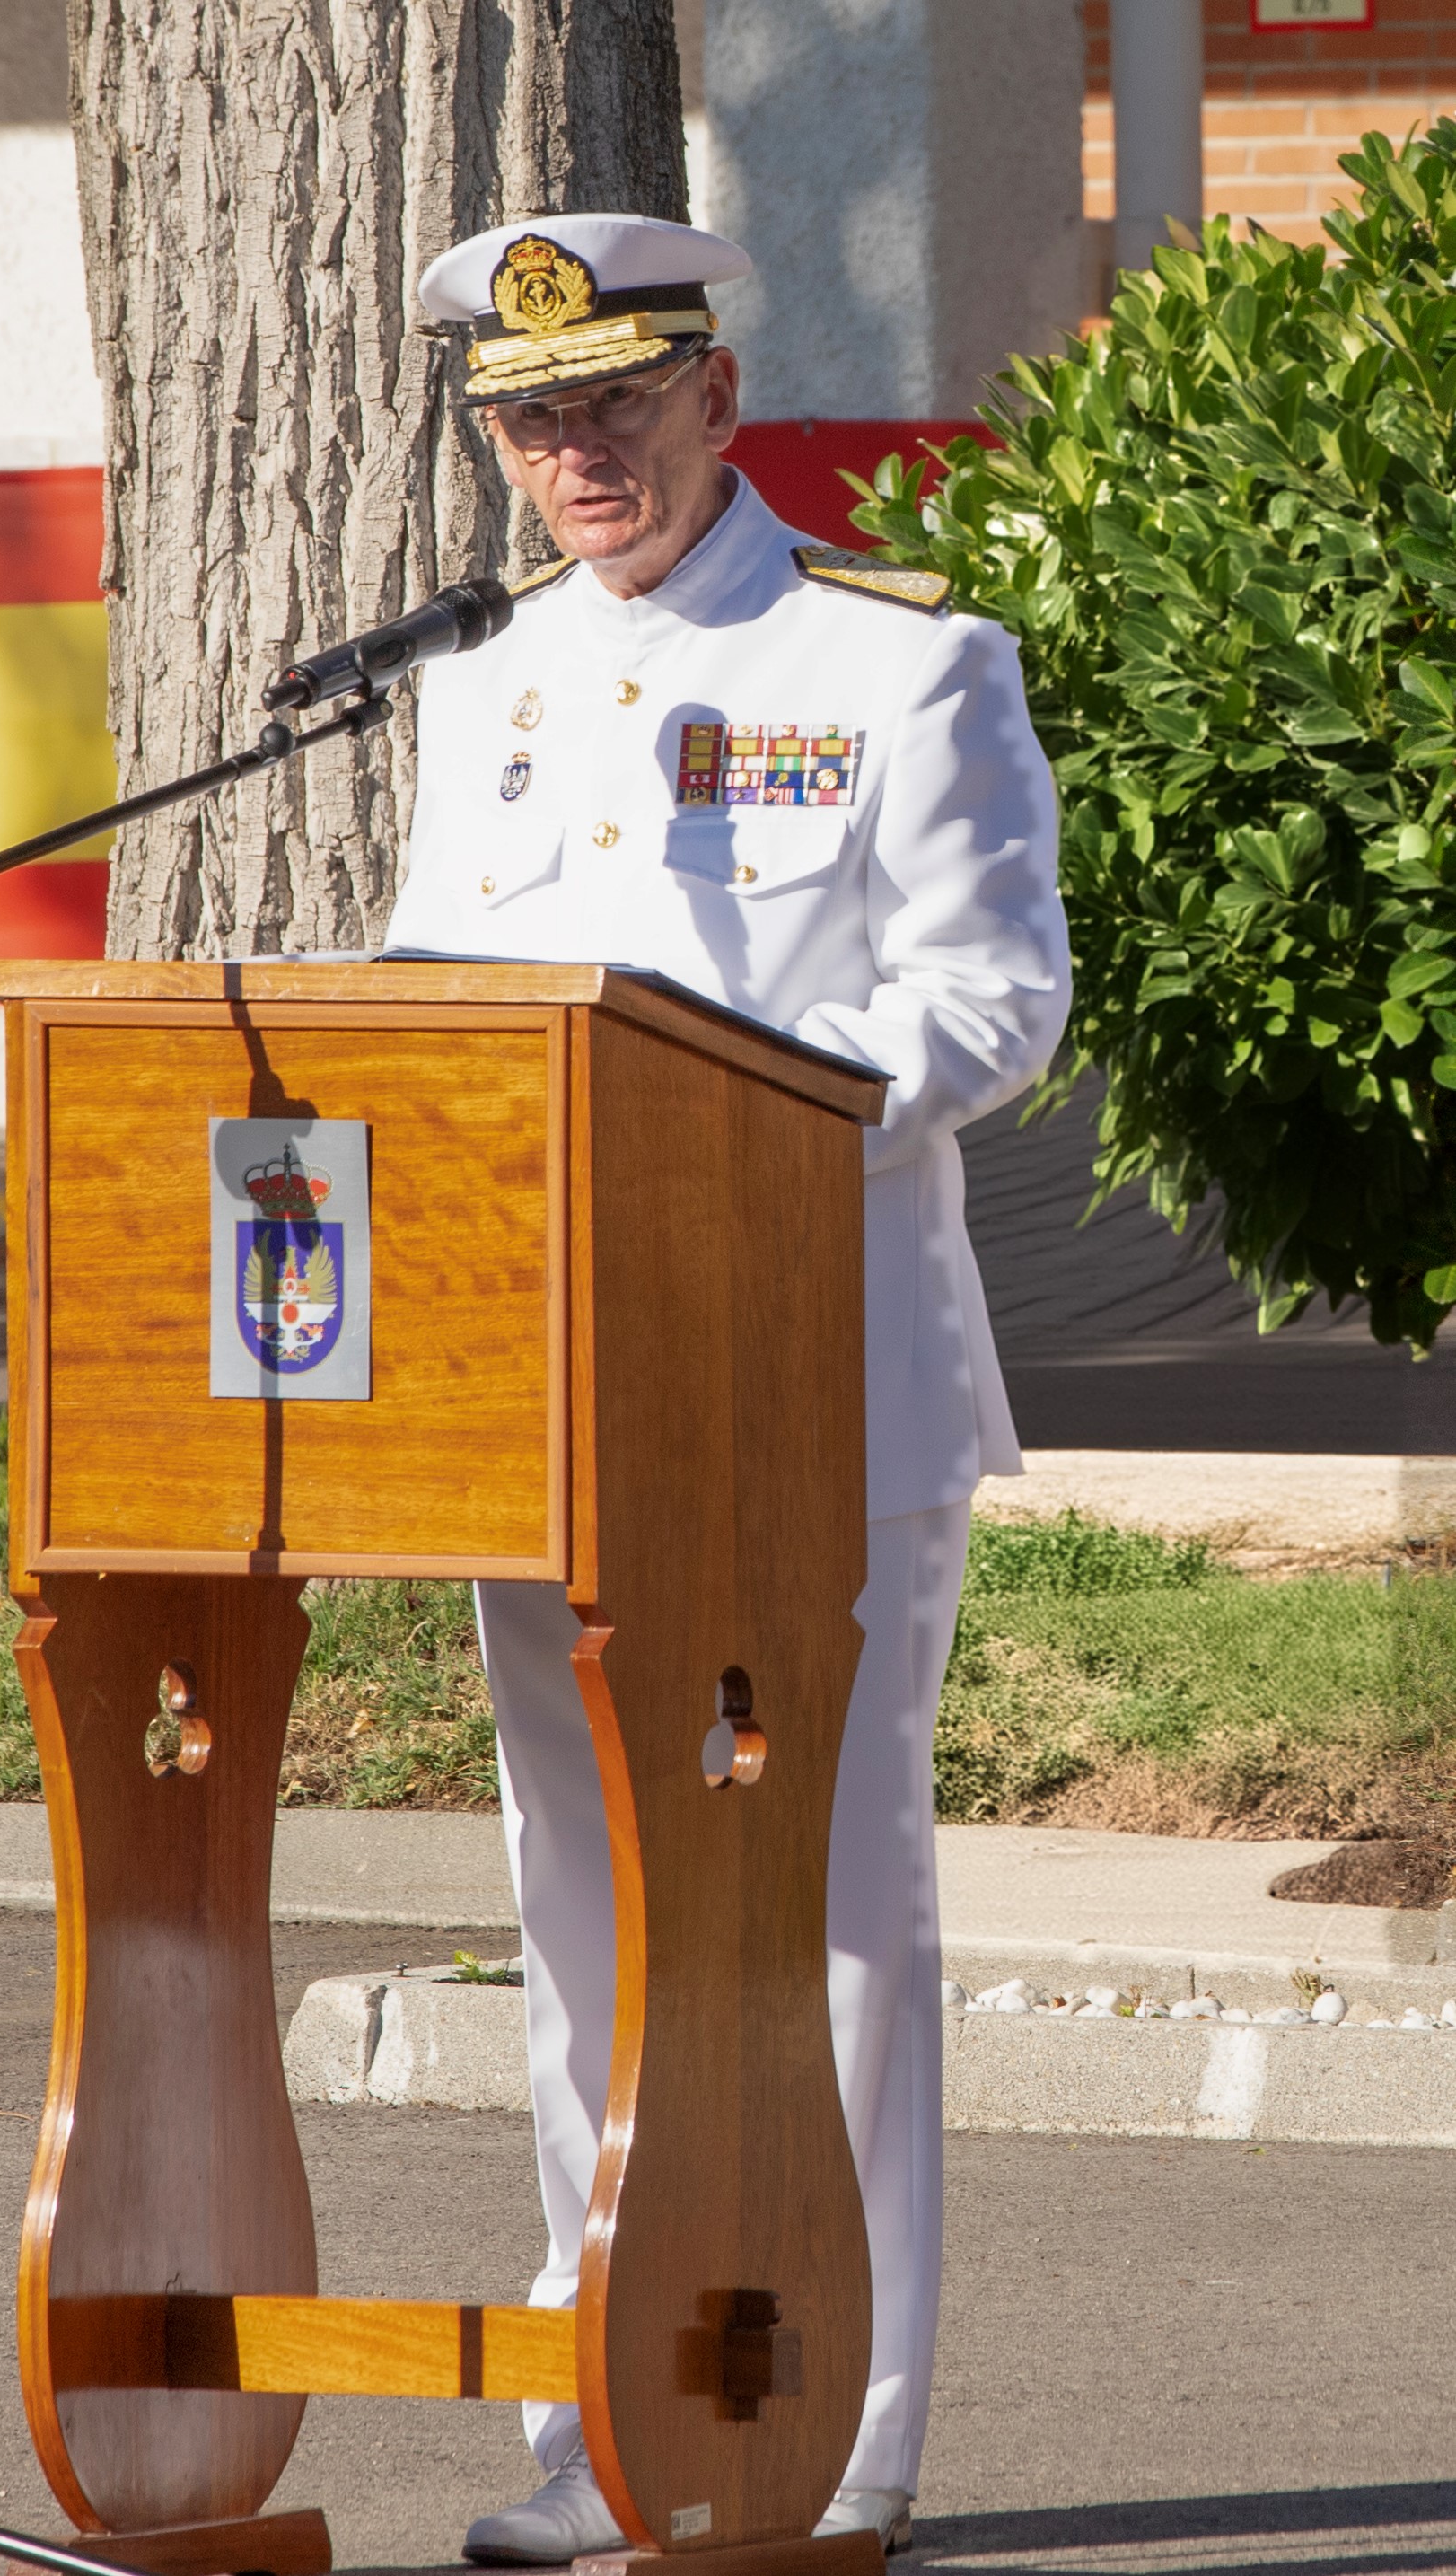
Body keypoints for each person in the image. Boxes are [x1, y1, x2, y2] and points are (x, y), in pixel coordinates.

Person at [386, 211, 1071, 2565]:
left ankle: (829, 2429)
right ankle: (608, 2429)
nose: (570, 453)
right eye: (523, 418)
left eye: (607, 404)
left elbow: (988, 1006)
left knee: (822, 1923)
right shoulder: (471, 686)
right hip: (543, 1397)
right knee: (579, 1922)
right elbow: (438, 1024)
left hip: (816, 1387)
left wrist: (729, 1101)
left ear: (715, 394)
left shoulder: (898, 666)